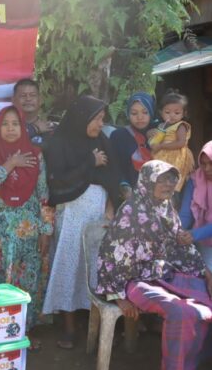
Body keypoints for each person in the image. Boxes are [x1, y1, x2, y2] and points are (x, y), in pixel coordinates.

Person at [96, 161, 212, 370]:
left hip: (164, 275)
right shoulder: (131, 210)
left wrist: (206, 273)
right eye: (162, 179)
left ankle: (190, 363)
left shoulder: (167, 209)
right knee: (179, 311)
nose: (168, 184)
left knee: (203, 306)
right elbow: (110, 256)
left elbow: (181, 248)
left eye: (171, 179)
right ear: (147, 181)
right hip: (134, 280)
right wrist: (119, 298)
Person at [42, 95, 122, 350]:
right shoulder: (59, 143)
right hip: (72, 214)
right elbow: (58, 180)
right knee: (69, 265)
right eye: (96, 119)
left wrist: (111, 206)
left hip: (98, 214)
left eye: (102, 119)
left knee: (94, 267)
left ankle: (94, 325)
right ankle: (69, 326)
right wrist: (90, 162)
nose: (100, 124)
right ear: (80, 118)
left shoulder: (102, 141)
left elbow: (112, 176)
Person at [0, 106, 52, 347]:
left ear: (23, 127)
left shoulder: (35, 155)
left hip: (28, 233)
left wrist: (46, 230)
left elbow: (44, 195)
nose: (10, 129)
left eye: (15, 124)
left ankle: (23, 331)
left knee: (26, 279)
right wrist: (10, 164)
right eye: (5, 124)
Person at [148, 90, 195, 192]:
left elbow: (181, 143)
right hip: (162, 157)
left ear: (184, 113)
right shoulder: (161, 126)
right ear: (161, 112)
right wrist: (150, 134)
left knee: (172, 181)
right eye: (167, 112)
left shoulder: (181, 126)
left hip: (176, 158)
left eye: (177, 113)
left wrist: (161, 146)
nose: (172, 115)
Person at [109, 92, 155, 196]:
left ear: (152, 112)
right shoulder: (119, 136)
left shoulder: (160, 134)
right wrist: (124, 186)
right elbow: (113, 165)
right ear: (128, 114)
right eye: (134, 113)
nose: (140, 117)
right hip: (126, 195)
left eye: (145, 112)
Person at [178, 140, 212, 268]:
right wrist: (179, 232)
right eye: (203, 164)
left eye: (211, 163)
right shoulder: (195, 179)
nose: (207, 169)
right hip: (204, 239)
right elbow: (186, 213)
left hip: (200, 234)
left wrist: (194, 234)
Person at [11, 79, 56, 146]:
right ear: (13, 101)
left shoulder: (53, 128)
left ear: (40, 100)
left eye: (33, 95)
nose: (28, 99)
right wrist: (35, 129)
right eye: (23, 95)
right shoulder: (5, 128)